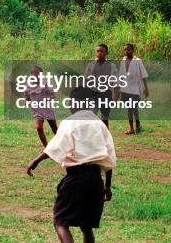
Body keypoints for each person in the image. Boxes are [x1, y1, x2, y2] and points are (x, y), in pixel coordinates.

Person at [26, 87, 116, 243]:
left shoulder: (70, 122)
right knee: (86, 226)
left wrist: (36, 160)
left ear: (73, 104)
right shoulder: (100, 125)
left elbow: (56, 146)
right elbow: (109, 158)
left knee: (60, 221)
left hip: (76, 178)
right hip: (95, 180)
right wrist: (107, 186)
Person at [84, 44, 119, 128]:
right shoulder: (90, 65)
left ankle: (105, 138)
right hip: (93, 94)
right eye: (97, 51)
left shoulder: (111, 66)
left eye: (101, 51)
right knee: (91, 116)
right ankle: (92, 136)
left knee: (105, 118)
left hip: (105, 94)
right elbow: (86, 81)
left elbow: (116, 83)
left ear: (106, 53)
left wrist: (115, 98)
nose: (99, 53)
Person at [118, 43, 150, 135]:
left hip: (135, 88)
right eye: (125, 50)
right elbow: (121, 75)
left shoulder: (138, 61)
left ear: (132, 50)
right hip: (125, 88)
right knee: (129, 108)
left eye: (128, 49)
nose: (126, 51)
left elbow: (143, 75)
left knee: (134, 108)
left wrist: (146, 89)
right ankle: (132, 128)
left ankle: (138, 124)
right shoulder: (123, 61)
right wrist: (119, 88)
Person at [24, 65, 57, 148]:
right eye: (33, 73)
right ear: (31, 75)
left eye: (38, 73)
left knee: (55, 129)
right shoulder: (28, 87)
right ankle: (47, 148)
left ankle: (62, 145)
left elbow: (52, 95)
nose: (35, 75)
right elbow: (27, 98)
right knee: (39, 128)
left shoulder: (45, 84)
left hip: (47, 109)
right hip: (37, 111)